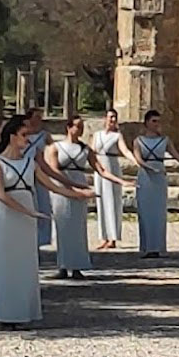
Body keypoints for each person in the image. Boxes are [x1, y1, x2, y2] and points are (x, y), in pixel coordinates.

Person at [0, 116, 92, 329]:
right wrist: (29, 212)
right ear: (12, 136)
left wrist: (77, 194)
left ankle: (23, 312)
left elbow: (52, 186)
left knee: (25, 264)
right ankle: (4, 314)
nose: (28, 139)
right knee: (5, 264)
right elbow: (1, 195)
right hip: (6, 217)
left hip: (27, 214)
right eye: (24, 135)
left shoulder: (30, 163)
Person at [48, 116, 124, 279]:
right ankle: (62, 266)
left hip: (80, 185)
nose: (80, 129)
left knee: (78, 227)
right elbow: (54, 170)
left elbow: (101, 169)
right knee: (62, 227)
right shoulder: (56, 147)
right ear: (68, 127)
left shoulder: (86, 149)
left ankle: (76, 266)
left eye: (82, 126)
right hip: (62, 189)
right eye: (77, 126)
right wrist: (70, 186)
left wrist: (121, 181)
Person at [132, 110, 179, 259]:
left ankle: (157, 247)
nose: (157, 124)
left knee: (159, 212)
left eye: (158, 121)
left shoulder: (165, 140)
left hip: (159, 177)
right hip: (145, 176)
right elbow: (138, 158)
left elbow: (178, 156)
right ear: (146, 123)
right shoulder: (138, 140)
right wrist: (149, 167)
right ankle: (146, 247)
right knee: (145, 212)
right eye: (154, 121)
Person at [19, 108, 54, 249]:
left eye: (41, 117)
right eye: (37, 117)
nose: (39, 120)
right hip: (21, 173)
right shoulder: (21, 135)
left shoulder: (44, 135)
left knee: (42, 205)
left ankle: (40, 240)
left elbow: (53, 150)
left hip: (39, 172)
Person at [92, 109, 126, 249]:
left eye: (114, 118)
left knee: (112, 201)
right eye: (110, 117)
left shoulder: (117, 136)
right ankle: (104, 237)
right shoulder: (97, 135)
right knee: (101, 202)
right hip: (99, 169)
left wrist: (135, 160)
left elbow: (125, 150)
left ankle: (113, 237)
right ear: (105, 118)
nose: (112, 120)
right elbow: (91, 151)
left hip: (112, 168)